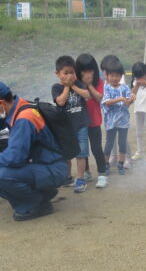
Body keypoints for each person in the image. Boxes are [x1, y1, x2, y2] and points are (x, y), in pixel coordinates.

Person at [0, 81, 67, 221]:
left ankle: (39, 203)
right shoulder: (15, 109)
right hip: (40, 166)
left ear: (1, 103)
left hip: (52, 168)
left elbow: (15, 157)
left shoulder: (24, 118)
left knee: (2, 175)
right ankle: (37, 197)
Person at [52, 55, 91, 193]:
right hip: (65, 127)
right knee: (67, 154)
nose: (69, 75)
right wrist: (67, 87)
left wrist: (72, 85)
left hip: (81, 124)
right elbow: (60, 102)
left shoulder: (78, 84)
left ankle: (80, 179)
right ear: (58, 74)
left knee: (81, 153)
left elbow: (87, 95)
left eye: (72, 72)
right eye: (65, 73)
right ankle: (67, 177)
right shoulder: (56, 88)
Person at [75, 54, 108, 188]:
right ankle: (87, 172)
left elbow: (100, 98)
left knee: (96, 148)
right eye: (84, 71)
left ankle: (102, 174)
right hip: (80, 121)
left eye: (90, 71)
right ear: (79, 71)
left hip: (94, 120)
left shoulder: (99, 82)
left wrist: (89, 85)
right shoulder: (75, 82)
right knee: (83, 150)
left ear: (94, 70)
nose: (87, 74)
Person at [102, 59, 133, 175]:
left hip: (123, 120)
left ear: (121, 76)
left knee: (122, 142)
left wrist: (131, 100)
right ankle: (105, 164)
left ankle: (121, 163)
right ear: (108, 76)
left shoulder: (125, 88)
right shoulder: (106, 88)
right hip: (111, 121)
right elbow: (106, 102)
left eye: (117, 75)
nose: (115, 78)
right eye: (112, 75)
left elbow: (128, 102)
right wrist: (120, 99)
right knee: (109, 142)